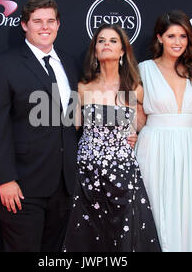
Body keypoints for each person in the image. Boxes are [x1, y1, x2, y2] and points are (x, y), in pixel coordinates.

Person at [0, 0, 81, 252]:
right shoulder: (2, 65)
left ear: (58, 24)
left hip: (64, 185)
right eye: (37, 21)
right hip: (22, 186)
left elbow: (73, 118)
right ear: (25, 25)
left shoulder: (69, 63)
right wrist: (4, 180)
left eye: (50, 21)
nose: (44, 27)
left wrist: (122, 131)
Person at [63, 24, 161, 252]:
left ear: (123, 51)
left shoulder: (134, 88)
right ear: (95, 51)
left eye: (113, 40)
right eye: (101, 41)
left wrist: (136, 134)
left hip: (123, 175)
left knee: (123, 236)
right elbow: (70, 128)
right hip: (87, 173)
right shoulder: (83, 87)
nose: (106, 44)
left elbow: (143, 124)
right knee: (87, 236)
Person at [135, 11, 192, 252]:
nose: (177, 42)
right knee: (154, 211)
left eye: (183, 36)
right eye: (171, 35)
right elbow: (137, 117)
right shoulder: (143, 70)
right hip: (153, 146)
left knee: (186, 212)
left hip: (189, 148)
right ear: (160, 38)